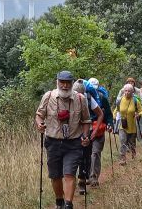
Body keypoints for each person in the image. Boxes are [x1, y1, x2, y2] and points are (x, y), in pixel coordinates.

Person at [35, 71, 91, 209]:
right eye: (62, 82)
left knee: (69, 174)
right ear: (57, 82)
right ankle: (59, 201)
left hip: (73, 143)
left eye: (68, 83)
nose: (65, 85)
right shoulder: (48, 97)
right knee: (55, 176)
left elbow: (86, 120)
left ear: (72, 83)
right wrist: (39, 124)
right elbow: (39, 115)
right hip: (53, 142)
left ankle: (68, 204)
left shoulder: (80, 99)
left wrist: (85, 136)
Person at [72, 79, 103, 195]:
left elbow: (100, 114)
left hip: (87, 131)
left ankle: (82, 181)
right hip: (73, 132)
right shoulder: (69, 98)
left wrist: (95, 130)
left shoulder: (89, 99)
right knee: (76, 156)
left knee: (85, 156)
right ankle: (73, 180)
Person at [87, 78, 113, 187]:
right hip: (86, 129)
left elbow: (108, 113)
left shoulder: (102, 98)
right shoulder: (83, 97)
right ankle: (86, 175)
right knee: (87, 154)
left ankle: (94, 178)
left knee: (95, 153)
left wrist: (110, 124)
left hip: (99, 130)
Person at [113, 84, 142, 165]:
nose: (127, 92)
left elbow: (141, 111)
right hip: (122, 125)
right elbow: (116, 110)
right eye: (125, 91)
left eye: (129, 91)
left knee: (132, 143)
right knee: (123, 141)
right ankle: (123, 159)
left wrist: (138, 114)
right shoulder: (119, 100)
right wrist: (114, 116)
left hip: (132, 125)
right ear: (123, 91)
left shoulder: (135, 100)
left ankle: (134, 157)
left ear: (132, 92)